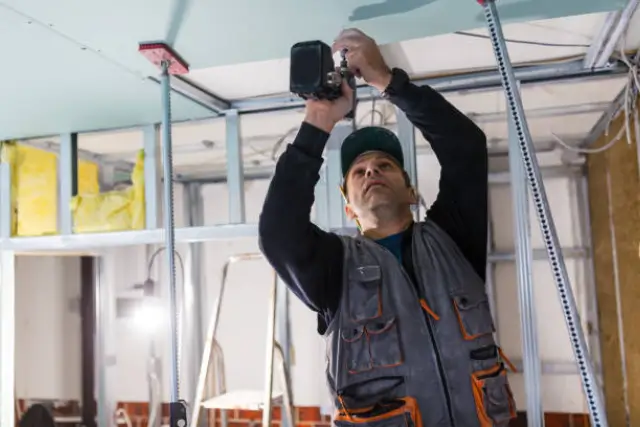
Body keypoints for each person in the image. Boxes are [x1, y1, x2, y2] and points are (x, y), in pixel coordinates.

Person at [259, 28, 517, 427]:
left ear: (412, 191)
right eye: (359, 171)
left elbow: (465, 146)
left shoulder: (454, 238)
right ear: (349, 208)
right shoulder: (332, 268)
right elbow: (278, 231)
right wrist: (319, 120)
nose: (371, 171)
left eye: (385, 165)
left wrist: (386, 80)